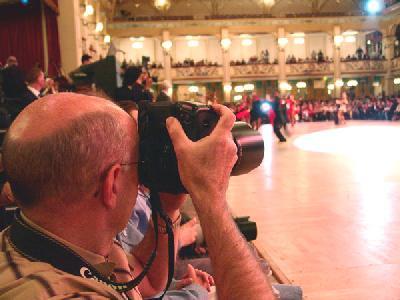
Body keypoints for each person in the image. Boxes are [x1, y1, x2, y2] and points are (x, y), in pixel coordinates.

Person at [0, 92, 275, 299]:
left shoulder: (61, 242)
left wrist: (166, 208)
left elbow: (147, 279)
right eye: (139, 161)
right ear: (113, 183)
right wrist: (210, 198)